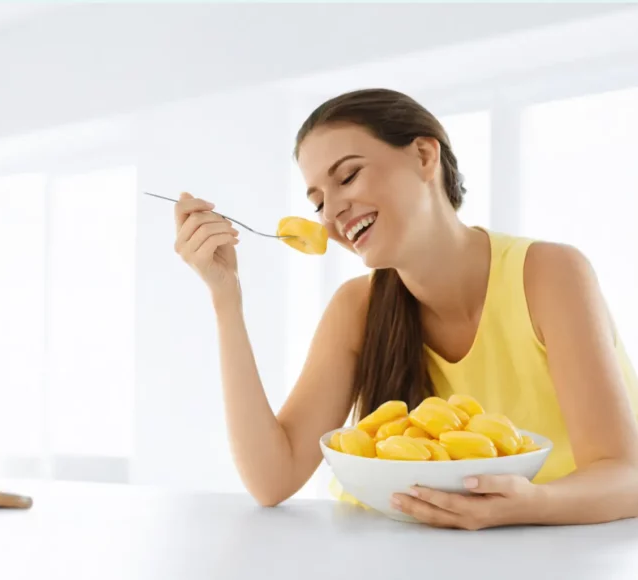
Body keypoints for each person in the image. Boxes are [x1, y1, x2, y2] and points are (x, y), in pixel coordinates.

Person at [171, 88, 638, 530]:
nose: (332, 211)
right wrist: (225, 299)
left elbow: (623, 474)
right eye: (317, 202)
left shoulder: (549, 274)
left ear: (423, 156)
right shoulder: (356, 306)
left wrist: (523, 506)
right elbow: (271, 479)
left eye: (348, 176)